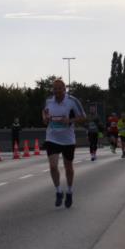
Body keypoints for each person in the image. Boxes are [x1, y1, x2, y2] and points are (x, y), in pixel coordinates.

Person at [42, 78, 86, 208]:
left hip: (67, 139)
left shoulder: (72, 101)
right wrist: (46, 118)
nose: (57, 91)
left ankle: (70, 191)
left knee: (68, 167)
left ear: (64, 89)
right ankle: (58, 191)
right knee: (53, 166)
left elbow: (83, 117)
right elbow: (44, 115)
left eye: (59, 88)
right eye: (54, 89)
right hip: (52, 138)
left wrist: (70, 120)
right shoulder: (48, 101)